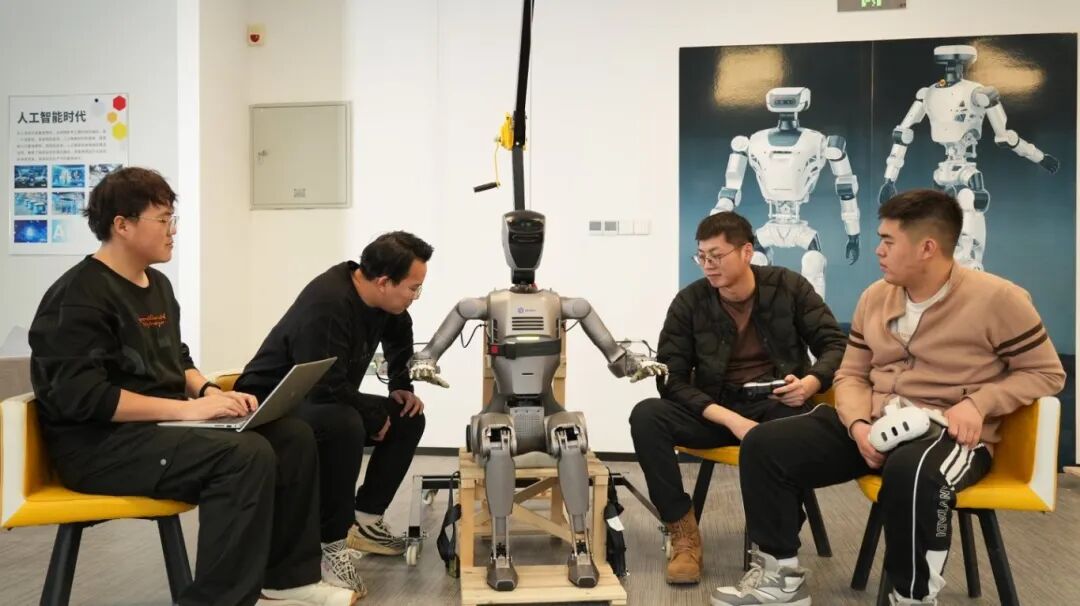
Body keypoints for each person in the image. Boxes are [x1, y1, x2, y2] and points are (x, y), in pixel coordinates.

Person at [711, 189, 1066, 606]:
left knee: (912, 473)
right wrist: (858, 425)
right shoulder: (875, 296)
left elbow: (1047, 373)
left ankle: (912, 597)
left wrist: (979, 404)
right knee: (764, 445)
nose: (878, 250)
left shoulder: (999, 298)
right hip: (875, 422)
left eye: (888, 241)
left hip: (949, 432)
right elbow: (851, 374)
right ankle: (779, 578)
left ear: (927, 248)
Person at [28, 167, 360, 606]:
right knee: (243, 455)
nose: (173, 231)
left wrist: (208, 393)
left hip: (155, 432)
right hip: (100, 448)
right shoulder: (77, 296)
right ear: (122, 225)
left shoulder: (157, 284)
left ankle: (287, 579)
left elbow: (176, 358)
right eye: (163, 219)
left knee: (292, 436)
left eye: (173, 219)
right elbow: (83, 397)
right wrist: (186, 411)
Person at [629, 211, 847, 585]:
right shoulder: (690, 302)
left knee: (790, 433)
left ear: (746, 252)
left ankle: (776, 546)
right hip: (715, 409)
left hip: (776, 403)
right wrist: (731, 419)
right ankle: (682, 532)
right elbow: (671, 378)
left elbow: (835, 344)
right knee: (647, 416)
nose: (707, 265)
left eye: (716, 255)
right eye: (701, 256)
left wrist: (811, 383)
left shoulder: (789, 287)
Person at [235, 231, 431, 563]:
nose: (416, 296)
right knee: (345, 423)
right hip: (269, 403)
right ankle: (332, 539)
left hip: (323, 396)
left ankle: (365, 522)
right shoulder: (328, 303)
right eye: (414, 288)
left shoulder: (381, 302)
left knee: (407, 415)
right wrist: (371, 414)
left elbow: (400, 333)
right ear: (384, 282)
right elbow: (323, 386)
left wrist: (400, 386)